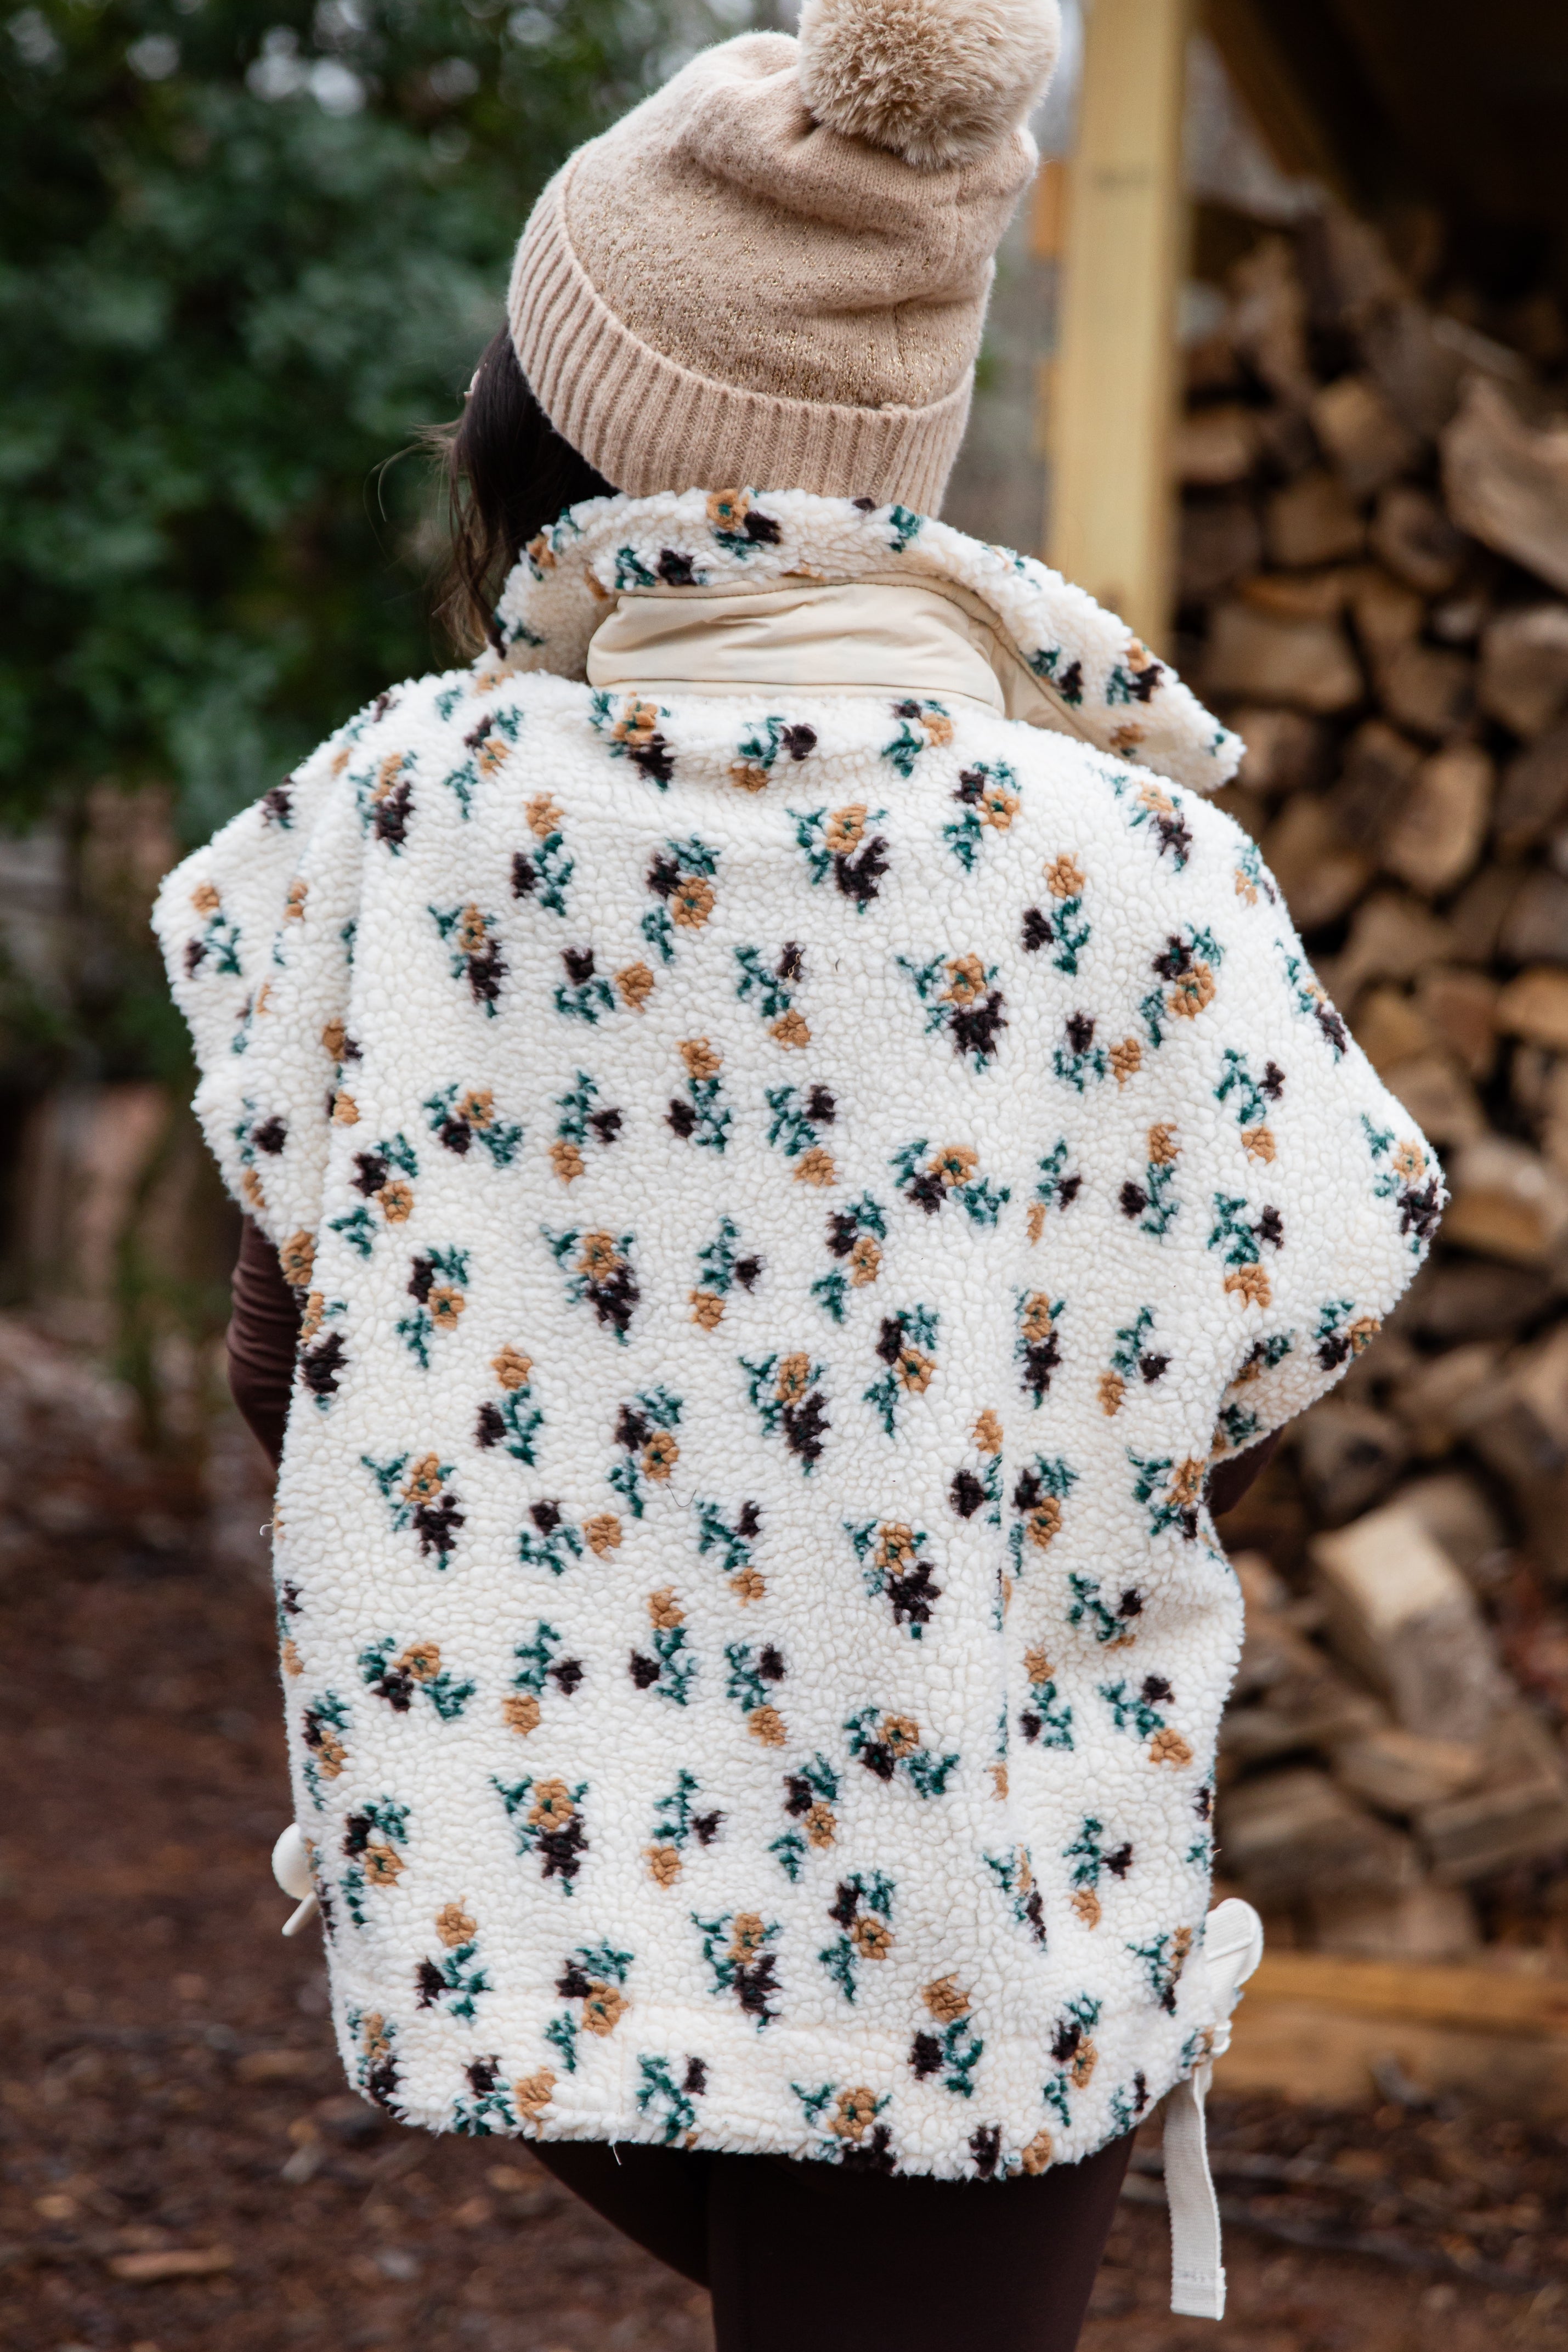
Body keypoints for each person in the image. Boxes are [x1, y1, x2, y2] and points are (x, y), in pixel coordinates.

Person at [155, 5, 1442, 2345]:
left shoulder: (413, 808)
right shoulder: (1119, 857)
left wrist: (608, 1559)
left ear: (547, 436)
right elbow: (1261, 1325)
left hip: (526, 1895)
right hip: (961, 1905)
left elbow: (288, 1356)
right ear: (900, 447)